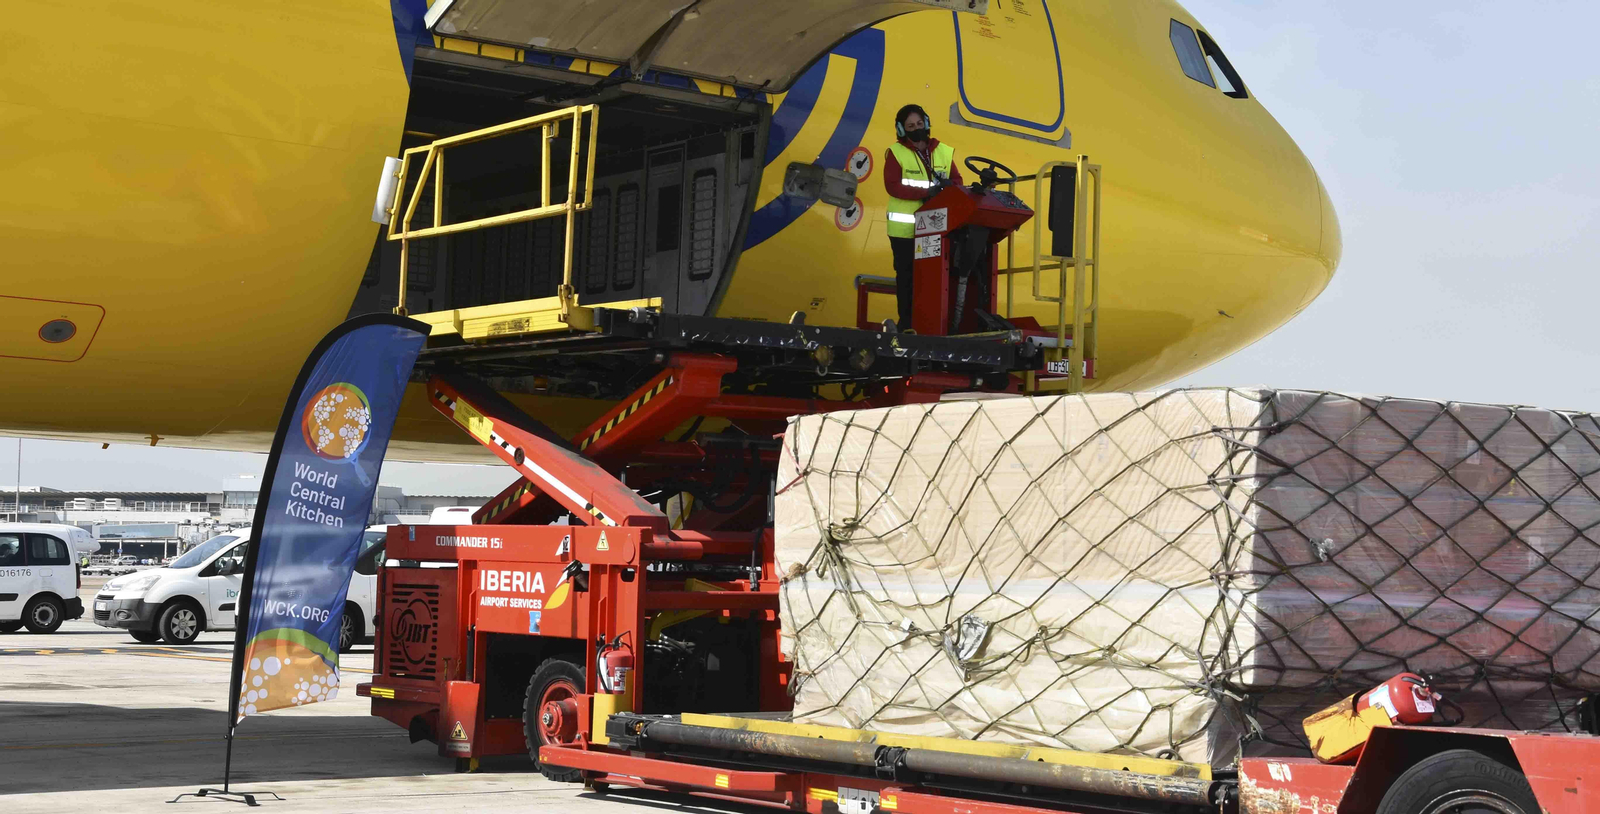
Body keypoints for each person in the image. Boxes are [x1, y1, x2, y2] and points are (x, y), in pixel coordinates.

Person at [883, 104, 963, 331]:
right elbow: (893, 186)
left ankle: (933, 324)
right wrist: (926, 193)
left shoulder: (944, 151)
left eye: (919, 124)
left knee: (932, 279)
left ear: (926, 123)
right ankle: (907, 325)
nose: (916, 128)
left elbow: (958, 181)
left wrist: (950, 186)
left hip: (936, 229)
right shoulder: (895, 153)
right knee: (907, 279)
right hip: (904, 232)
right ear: (901, 129)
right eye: (910, 126)